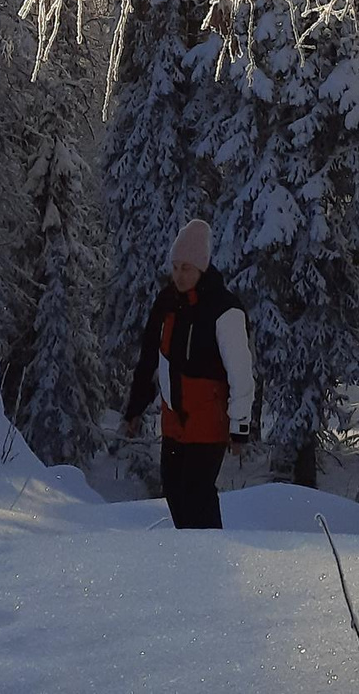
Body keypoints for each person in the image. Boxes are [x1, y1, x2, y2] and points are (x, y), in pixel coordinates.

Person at [123, 218, 254, 528]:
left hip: (209, 423)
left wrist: (240, 428)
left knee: (197, 495)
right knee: (173, 491)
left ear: (202, 268)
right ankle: (189, 564)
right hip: (174, 420)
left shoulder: (225, 309)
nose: (179, 275)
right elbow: (149, 357)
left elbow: (241, 373)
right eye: (176, 267)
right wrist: (135, 408)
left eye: (187, 268)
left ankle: (209, 561)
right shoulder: (167, 302)